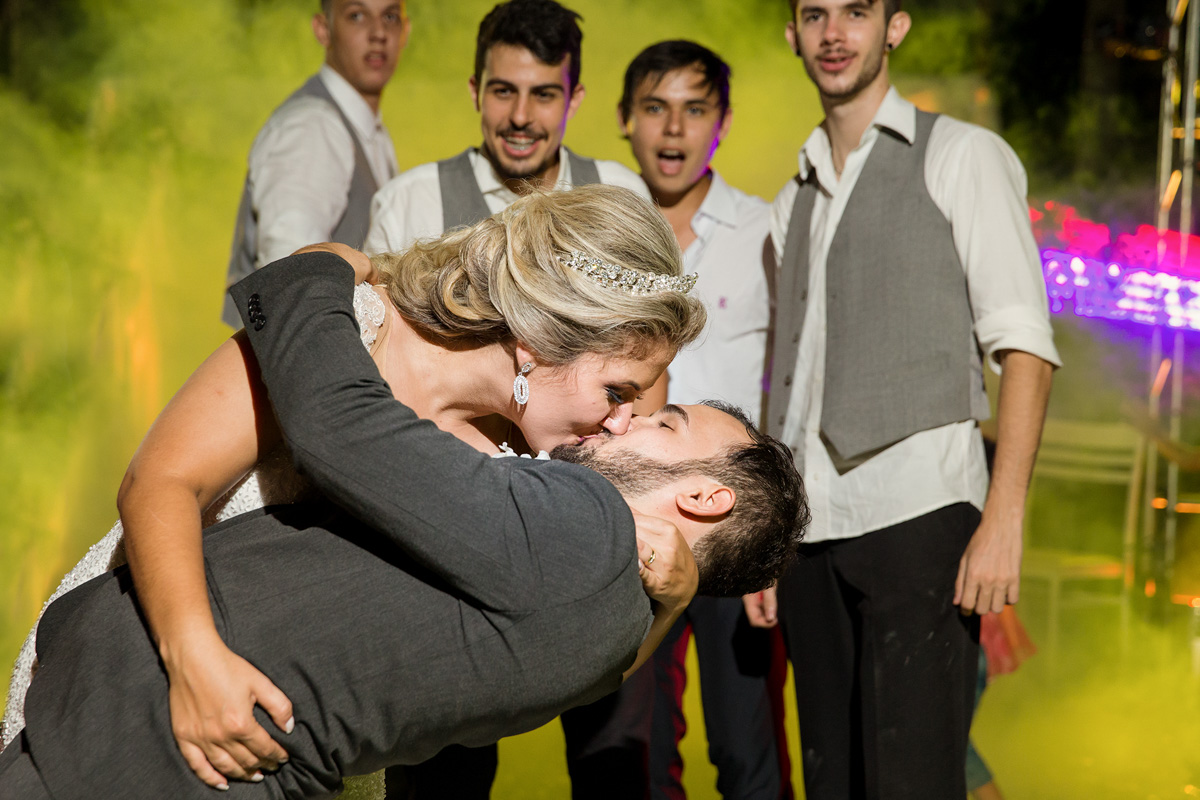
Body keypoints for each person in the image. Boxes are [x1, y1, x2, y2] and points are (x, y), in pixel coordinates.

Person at [0, 189, 810, 800]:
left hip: (277, 746)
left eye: (648, 410)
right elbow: (159, 483)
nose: (620, 420)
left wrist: (671, 601)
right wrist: (196, 659)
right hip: (160, 636)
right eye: (622, 389)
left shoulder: (521, 476)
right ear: (538, 341)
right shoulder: (358, 326)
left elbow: (571, 652)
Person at [751, 1, 1061, 797]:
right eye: (814, 14)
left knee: (915, 782)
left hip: (922, 517)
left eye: (856, 11)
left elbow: (1025, 345)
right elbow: (791, 381)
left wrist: (1005, 518)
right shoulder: (794, 199)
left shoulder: (962, 156)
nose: (833, 32)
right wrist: (767, 537)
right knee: (832, 780)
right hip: (811, 535)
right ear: (792, 34)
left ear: (895, 27)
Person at [618, 41, 789, 800]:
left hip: (731, 529)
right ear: (625, 120)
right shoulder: (607, 233)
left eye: (695, 109)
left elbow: (789, 381)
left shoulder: (763, 231)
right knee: (634, 752)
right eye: (656, 107)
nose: (674, 129)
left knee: (747, 751)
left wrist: (774, 544)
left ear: (722, 123)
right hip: (630, 526)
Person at [362, 0, 648, 258]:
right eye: (503, 91)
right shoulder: (407, 203)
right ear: (476, 92)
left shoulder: (621, 195)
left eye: (543, 94)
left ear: (573, 100)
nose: (520, 116)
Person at [221, 0, 409, 327]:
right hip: (304, 369)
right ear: (323, 29)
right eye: (357, 15)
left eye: (390, 16)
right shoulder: (312, 128)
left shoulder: (368, 129)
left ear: (405, 31)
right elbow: (289, 285)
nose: (378, 33)